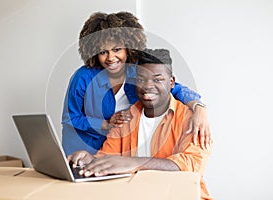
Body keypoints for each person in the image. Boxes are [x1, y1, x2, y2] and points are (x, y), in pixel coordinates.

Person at [68, 48, 213, 200]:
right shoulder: (126, 118)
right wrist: (90, 159)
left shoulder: (191, 119)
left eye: (157, 79)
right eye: (141, 79)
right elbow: (108, 157)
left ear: (171, 83)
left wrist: (135, 163)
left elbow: (192, 165)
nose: (147, 86)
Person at [62, 11, 211, 156]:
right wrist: (105, 124)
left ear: (129, 48)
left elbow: (173, 88)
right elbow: (70, 118)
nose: (111, 58)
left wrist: (199, 107)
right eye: (103, 52)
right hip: (82, 149)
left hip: (117, 152)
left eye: (117, 49)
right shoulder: (83, 77)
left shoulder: (138, 72)